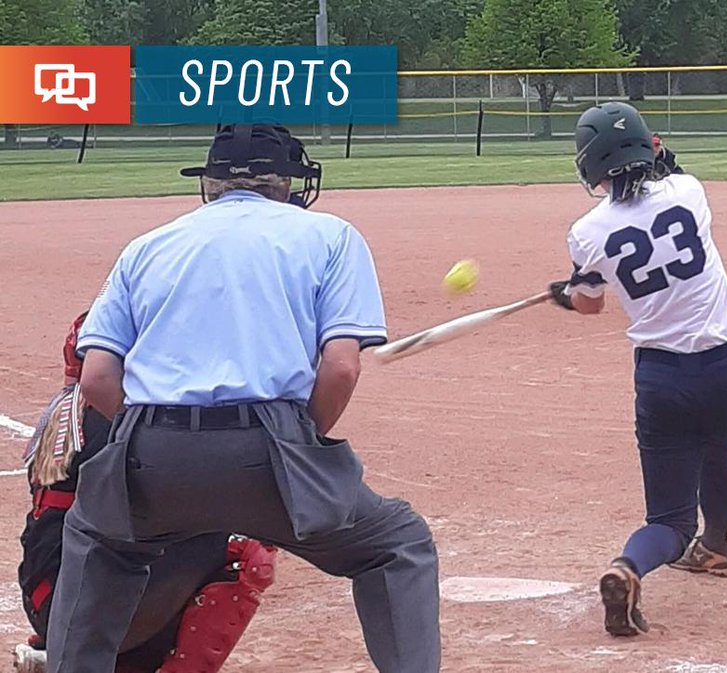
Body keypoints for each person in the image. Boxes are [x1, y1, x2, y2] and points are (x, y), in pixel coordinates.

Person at [45, 124, 441, 673]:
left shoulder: (148, 245)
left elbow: (96, 381)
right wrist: (300, 443)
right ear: (287, 184)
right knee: (396, 544)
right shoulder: (329, 235)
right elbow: (342, 368)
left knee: (99, 541)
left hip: (151, 452)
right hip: (270, 447)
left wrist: (150, 438)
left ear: (210, 184)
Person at [548, 102, 727, 636]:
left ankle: (629, 566)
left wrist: (568, 294)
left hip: (665, 382)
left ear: (590, 168)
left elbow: (591, 304)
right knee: (717, 448)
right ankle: (715, 547)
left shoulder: (587, 233)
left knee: (669, 520)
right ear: (653, 145)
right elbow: (668, 175)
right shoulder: (690, 191)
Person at [15, 312, 276, 673]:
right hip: (80, 606)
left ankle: (94, 656)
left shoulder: (68, 411)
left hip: (49, 598)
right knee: (243, 543)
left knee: (148, 534)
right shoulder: (121, 420)